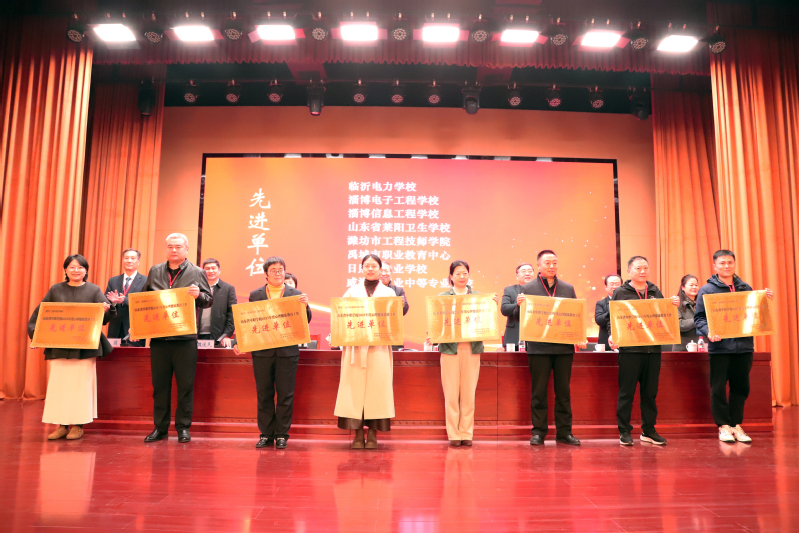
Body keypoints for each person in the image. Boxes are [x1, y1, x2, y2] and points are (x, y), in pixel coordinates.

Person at [28, 254, 116, 440]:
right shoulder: (56, 289)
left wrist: (107, 309)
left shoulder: (93, 290)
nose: (76, 270)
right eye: (72, 267)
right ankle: (62, 425)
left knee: (80, 387)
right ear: (66, 270)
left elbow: (104, 318)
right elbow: (42, 313)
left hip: (85, 348)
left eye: (80, 267)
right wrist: (37, 337)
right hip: (59, 346)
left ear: (86, 270)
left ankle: (78, 426)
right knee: (60, 387)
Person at [694, 250, 774, 444]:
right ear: (715, 266)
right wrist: (709, 332)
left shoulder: (745, 287)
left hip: (744, 346)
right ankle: (723, 426)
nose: (726, 266)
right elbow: (699, 318)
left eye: (730, 262)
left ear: (735, 264)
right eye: (722, 263)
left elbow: (753, 313)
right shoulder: (707, 290)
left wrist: (764, 300)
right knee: (718, 388)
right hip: (720, 347)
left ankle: (736, 424)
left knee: (741, 387)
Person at [233, 257, 312, 449]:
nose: (278, 273)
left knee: (285, 394)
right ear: (266, 274)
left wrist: (306, 306)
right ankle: (266, 434)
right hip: (262, 351)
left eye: (280, 270)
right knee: (264, 393)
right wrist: (238, 341)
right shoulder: (256, 294)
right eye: (273, 270)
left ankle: (282, 434)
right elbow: (248, 321)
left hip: (287, 352)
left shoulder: (295, 294)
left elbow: (305, 321)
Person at [142, 233, 213, 444]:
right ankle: (160, 428)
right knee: (160, 387)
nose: (174, 250)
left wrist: (198, 295)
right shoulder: (155, 271)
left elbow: (208, 300)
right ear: (166, 248)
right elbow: (144, 299)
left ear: (187, 249)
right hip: (159, 339)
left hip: (185, 339)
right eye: (170, 246)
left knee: (185, 386)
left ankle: (183, 428)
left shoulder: (197, 272)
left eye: (178, 247)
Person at [519, 250, 585, 446]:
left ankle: (564, 432)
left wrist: (579, 337)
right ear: (538, 266)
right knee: (538, 392)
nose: (551, 266)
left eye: (554, 263)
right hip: (538, 348)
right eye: (547, 263)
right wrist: (518, 305)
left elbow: (575, 315)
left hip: (564, 348)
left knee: (563, 392)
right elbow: (521, 317)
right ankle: (538, 432)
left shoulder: (567, 288)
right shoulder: (528, 288)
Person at [609, 256, 677, 447]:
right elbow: (613, 318)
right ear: (629, 271)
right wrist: (612, 335)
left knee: (650, 393)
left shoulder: (654, 291)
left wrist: (673, 306)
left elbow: (664, 317)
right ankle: (624, 431)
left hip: (653, 350)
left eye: (645, 268)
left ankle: (649, 430)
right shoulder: (621, 292)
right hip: (630, 350)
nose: (642, 271)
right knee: (627, 392)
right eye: (638, 268)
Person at [334, 254, 396, 449]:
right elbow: (341, 317)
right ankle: (358, 434)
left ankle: (373, 435)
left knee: (377, 391)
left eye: (374, 266)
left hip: (378, 349)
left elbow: (394, 323)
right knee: (355, 391)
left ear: (380, 269)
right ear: (361, 269)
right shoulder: (352, 291)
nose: (370, 269)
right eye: (367, 266)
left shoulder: (389, 293)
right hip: (356, 348)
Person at [434, 260, 498, 447]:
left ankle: (466, 433)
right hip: (449, 351)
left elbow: (487, 322)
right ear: (451, 276)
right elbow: (437, 324)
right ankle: (454, 434)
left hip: (472, 349)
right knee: (451, 395)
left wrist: (492, 306)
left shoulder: (478, 297)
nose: (462, 277)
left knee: (469, 394)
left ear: (469, 276)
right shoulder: (442, 297)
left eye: (465, 273)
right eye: (458, 273)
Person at [105, 248, 147, 346]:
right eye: (126, 258)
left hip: (134, 329)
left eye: (132, 258)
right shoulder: (113, 280)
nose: (129, 261)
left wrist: (125, 300)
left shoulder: (145, 281)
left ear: (138, 261)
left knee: (134, 356)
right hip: (115, 329)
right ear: (122, 260)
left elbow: (145, 304)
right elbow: (106, 300)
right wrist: (113, 302)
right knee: (113, 355)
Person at [198, 258, 237, 347]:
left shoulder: (228, 289)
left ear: (219, 270)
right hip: (197, 335)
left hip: (219, 337)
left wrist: (226, 335)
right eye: (207, 269)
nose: (210, 271)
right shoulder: (197, 289)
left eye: (213, 268)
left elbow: (232, 313)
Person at [500, 263, 535, 350]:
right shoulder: (510, 290)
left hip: (536, 337)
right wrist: (518, 304)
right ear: (517, 276)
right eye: (523, 271)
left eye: (530, 271)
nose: (527, 273)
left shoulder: (540, 291)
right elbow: (504, 309)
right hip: (514, 336)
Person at [380, 261, 409, 350]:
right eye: (381, 271)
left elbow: (404, 311)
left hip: (393, 333)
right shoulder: (371, 291)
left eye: (386, 271)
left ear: (391, 274)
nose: (383, 274)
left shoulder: (398, 291)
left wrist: (402, 306)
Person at [672, 274, 700, 351]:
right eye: (691, 285)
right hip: (683, 348)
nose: (694, 287)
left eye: (696, 285)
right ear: (683, 287)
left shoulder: (702, 303)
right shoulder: (676, 303)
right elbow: (678, 325)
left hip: (701, 346)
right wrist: (697, 320)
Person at [595, 274, 622, 351]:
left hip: (625, 343)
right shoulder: (600, 303)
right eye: (612, 284)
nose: (614, 287)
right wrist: (612, 311)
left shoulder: (627, 303)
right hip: (606, 344)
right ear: (606, 287)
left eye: (617, 284)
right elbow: (599, 320)